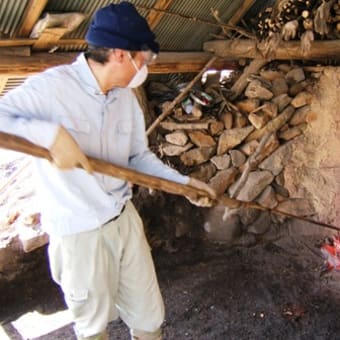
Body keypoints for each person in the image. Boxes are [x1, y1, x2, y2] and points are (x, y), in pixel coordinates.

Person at [0, 2, 216, 339]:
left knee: (149, 316)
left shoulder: (125, 99)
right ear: (119, 54)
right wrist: (49, 136)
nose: (144, 67)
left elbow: (137, 159)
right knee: (93, 326)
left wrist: (185, 183)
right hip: (78, 234)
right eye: (143, 59)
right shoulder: (52, 89)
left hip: (122, 219)